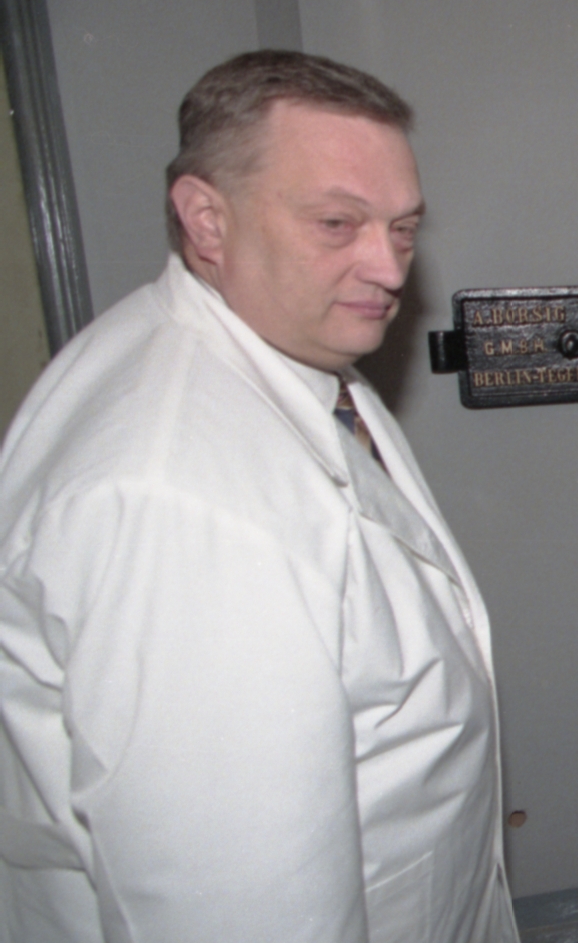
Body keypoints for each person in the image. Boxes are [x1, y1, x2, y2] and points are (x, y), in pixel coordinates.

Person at [0, 51, 519, 942]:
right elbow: (233, 905)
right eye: (336, 223)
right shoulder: (180, 502)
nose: (389, 267)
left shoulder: (279, 354)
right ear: (207, 219)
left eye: (402, 227)